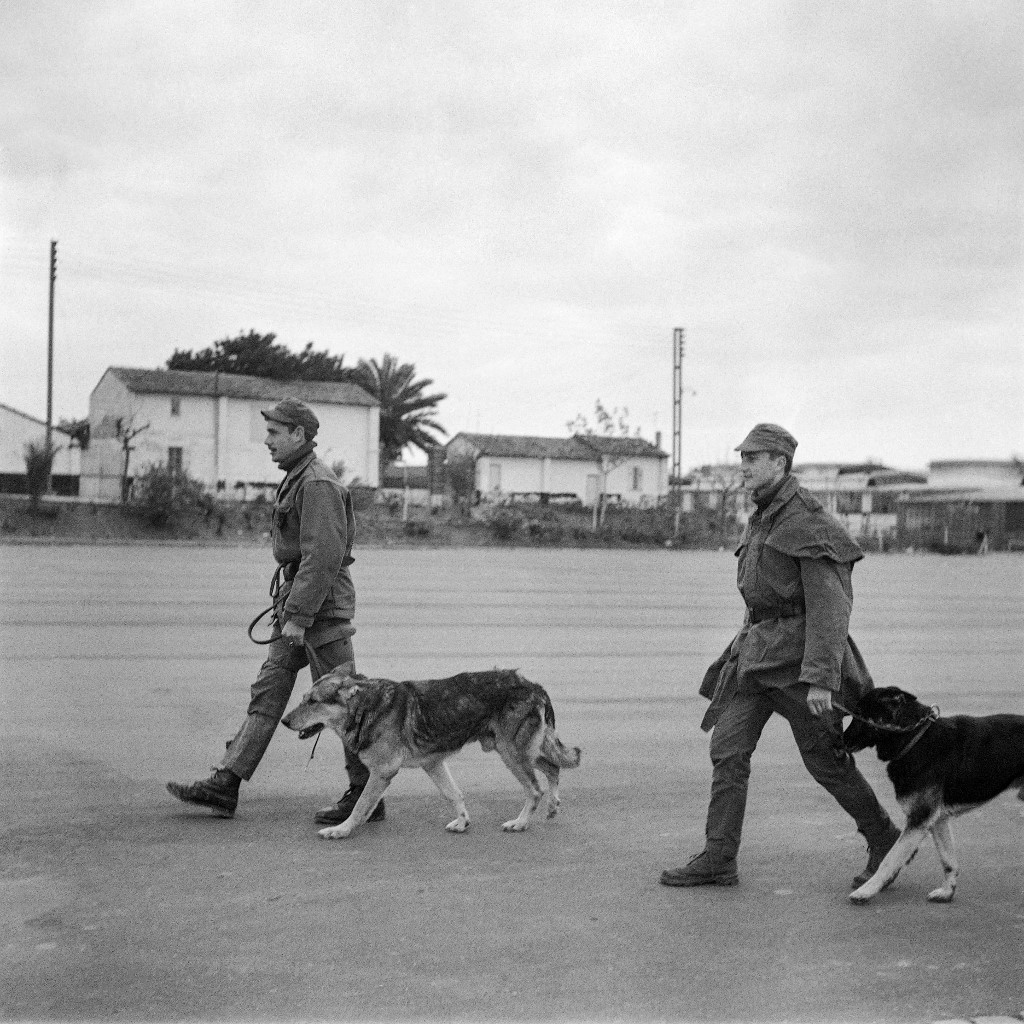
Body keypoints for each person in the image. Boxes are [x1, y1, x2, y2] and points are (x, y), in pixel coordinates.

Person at [660, 423, 899, 889]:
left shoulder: (807, 521)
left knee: (826, 762)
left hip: (796, 667)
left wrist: (821, 679)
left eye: (752, 459)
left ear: (779, 463)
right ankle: (718, 858)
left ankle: (884, 839)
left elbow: (832, 608)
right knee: (727, 750)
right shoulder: (765, 515)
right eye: (743, 458)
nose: (743, 466)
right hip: (755, 660)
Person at [167, 397, 381, 826]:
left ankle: (365, 795)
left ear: (299, 435)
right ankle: (227, 782)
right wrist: (292, 611)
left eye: (274, 433)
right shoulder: (297, 478)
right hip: (299, 603)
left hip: (321, 611)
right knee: (269, 691)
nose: (267, 441)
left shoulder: (317, 483)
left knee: (347, 702)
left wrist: (299, 616)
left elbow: (323, 556)